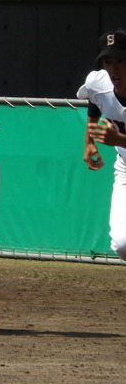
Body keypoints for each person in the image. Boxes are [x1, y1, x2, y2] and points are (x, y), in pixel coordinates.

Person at [77, 29, 126, 262]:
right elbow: (95, 100)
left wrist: (118, 140)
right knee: (123, 244)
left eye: (121, 61)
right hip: (125, 168)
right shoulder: (98, 82)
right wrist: (89, 142)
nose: (113, 69)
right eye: (108, 61)